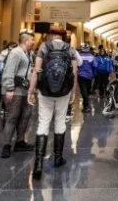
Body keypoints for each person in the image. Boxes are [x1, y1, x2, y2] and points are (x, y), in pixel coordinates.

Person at [27, 26, 78, 179]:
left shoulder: (44, 47)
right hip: (63, 91)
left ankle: (38, 164)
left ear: (50, 35)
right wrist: (73, 92)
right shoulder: (70, 49)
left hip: (45, 91)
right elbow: (74, 72)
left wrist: (31, 90)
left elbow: (37, 70)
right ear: (63, 36)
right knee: (60, 122)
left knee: (43, 123)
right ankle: (57, 158)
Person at [0, 31, 36, 159]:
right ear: (26, 41)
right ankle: (7, 145)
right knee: (12, 116)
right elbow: (9, 71)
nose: (34, 42)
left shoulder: (28, 53)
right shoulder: (16, 53)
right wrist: (9, 88)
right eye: (32, 39)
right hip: (14, 90)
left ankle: (20, 142)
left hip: (24, 90)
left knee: (25, 115)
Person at [77, 43, 96, 113]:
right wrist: (94, 74)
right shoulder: (92, 57)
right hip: (89, 76)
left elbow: (76, 66)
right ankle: (86, 105)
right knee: (87, 90)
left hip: (81, 75)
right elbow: (95, 66)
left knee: (83, 90)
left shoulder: (79, 56)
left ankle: (86, 106)